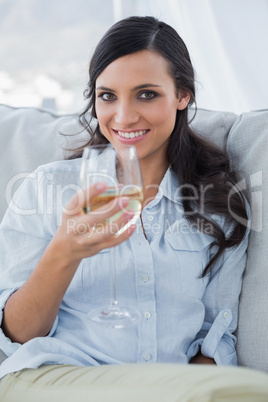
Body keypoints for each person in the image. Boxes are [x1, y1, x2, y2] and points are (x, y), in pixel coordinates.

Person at [0, 15, 261, 401]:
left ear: (182, 95)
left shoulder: (218, 204)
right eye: (108, 96)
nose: (123, 117)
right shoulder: (48, 189)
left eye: (146, 94)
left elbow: (214, 337)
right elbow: (18, 335)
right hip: (51, 376)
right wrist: (65, 251)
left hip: (161, 387)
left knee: (241, 391)